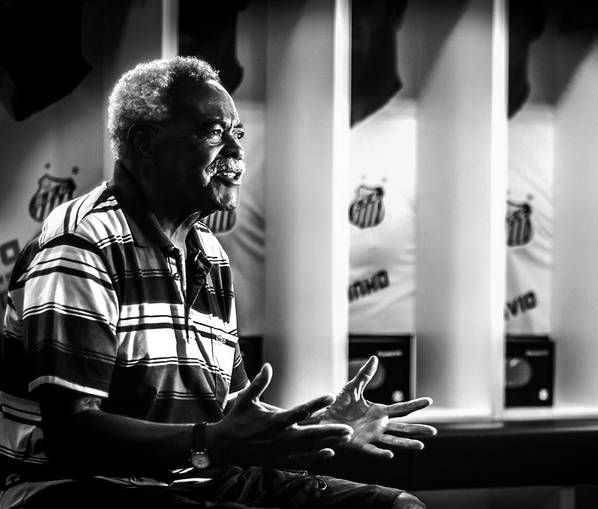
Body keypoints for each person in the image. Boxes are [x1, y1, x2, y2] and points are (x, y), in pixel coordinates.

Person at [0, 56, 437, 508]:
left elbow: (227, 415)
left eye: (238, 134)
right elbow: (72, 433)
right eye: (213, 132)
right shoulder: (83, 243)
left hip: (193, 478)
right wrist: (206, 443)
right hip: (74, 487)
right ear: (145, 144)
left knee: (397, 507)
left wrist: (322, 425)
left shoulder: (209, 252)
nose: (236, 151)